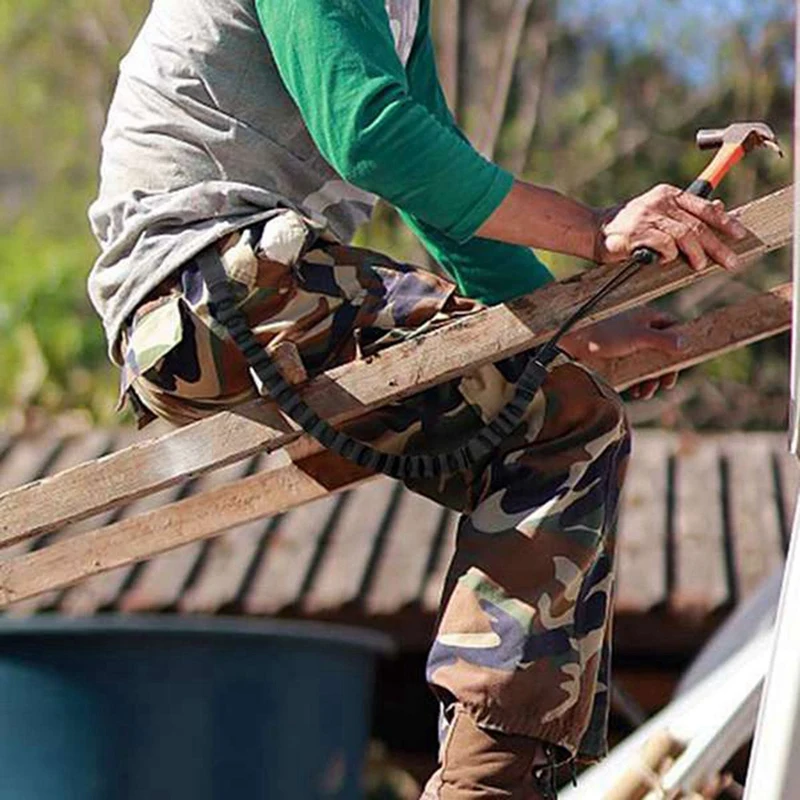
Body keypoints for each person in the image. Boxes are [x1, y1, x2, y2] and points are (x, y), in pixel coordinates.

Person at [88, 1, 747, 797]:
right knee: (565, 421)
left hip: (243, 296)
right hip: (208, 281)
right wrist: (593, 227)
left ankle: (506, 772)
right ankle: (486, 785)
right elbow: (371, 134)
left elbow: (440, 189)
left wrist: (573, 331)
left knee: (561, 406)